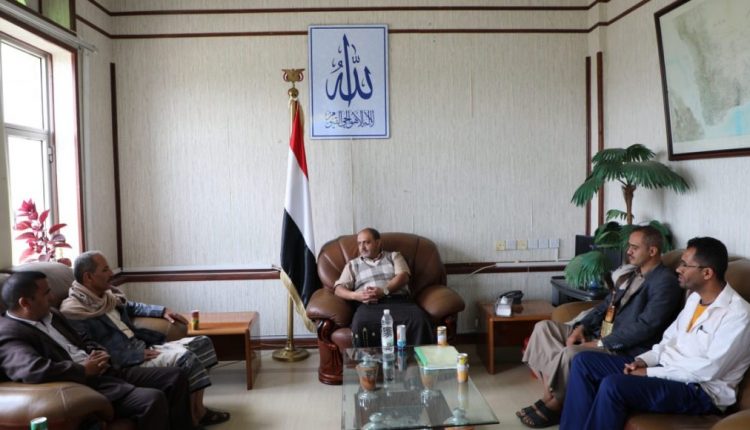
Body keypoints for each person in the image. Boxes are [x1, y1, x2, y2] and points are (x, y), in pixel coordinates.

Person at [560, 237, 750, 430]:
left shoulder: (738, 315)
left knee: (613, 385)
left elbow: (707, 370)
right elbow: (668, 340)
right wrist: (644, 360)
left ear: (707, 273)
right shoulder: (695, 300)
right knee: (584, 362)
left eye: (685, 265)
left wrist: (649, 373)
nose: (678, 269)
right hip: (666, 369)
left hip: (701, 391)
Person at [517, 226, 683, 427]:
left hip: (623, 346)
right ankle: (551, 397)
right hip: (601, 332)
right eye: (629, 246)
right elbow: (604, 306)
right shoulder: (632, 274)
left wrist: (598, 343)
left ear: (652, 251)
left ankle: (554, 404)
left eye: (634, 247)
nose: (628, 251)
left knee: (572, 353)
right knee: (544, 328)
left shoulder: (665, 282)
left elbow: (645, 327)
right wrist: (581, 328)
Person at [0, 271, 195, 430]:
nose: (52, 298)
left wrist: (98, 351)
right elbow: (33, 370)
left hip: (106, 370)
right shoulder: (9, 333)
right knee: (151, 399)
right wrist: (84, 370)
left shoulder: (51, 314)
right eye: (46, 293)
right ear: (25, 303)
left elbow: (83, 339)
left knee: (175, 376)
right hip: (84, 386)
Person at [59, 251, 230, 427]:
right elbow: (90, 349)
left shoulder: (106, 297)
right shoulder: (74, 311)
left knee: (203, 343)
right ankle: (195, 417)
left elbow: (132, 306)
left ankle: (197, 409)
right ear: (88, 277)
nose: (111, 273)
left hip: (142, 345)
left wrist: (162, 311)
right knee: (186, 359)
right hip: (129, 360)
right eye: (105, 269)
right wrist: (134, 355)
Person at [334, 228, 434, 347]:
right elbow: (338, 289)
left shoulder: (394, 256)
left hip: (399, 302)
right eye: (359, 243)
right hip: (369, 306)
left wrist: (384, 291)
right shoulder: (352, 264)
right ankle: (368, 359)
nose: (362, 247)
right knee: (360, 323)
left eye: (366, 242)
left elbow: (403, 276)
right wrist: (356, 296)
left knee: (419, 320)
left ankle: (416, 357)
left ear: (378, 243)